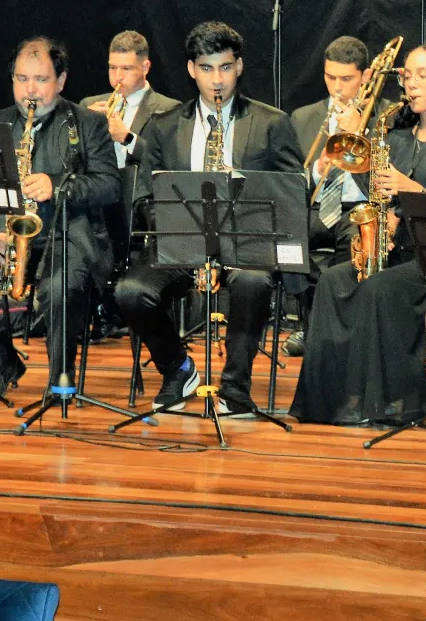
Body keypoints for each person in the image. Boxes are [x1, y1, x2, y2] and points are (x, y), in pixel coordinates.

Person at [291, 42, 426, 427]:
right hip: (401, 248)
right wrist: (384, 213)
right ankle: (334, 400)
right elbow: (377, 192)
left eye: (422, 75)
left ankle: (397, 400)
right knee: (333, 281)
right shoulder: (399, 136)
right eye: (407, 76)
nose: (411, 84)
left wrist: (410, 188)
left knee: (378, 287)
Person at [114, 21, 303, 417]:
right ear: (191, 69)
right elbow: (146, 194)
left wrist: (243, 184)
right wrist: (178, 226)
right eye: (206, 68)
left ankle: (235, 387)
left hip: (246, 241)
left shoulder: (271, 122)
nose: (217, 80)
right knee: (131, 292)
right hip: (183, 241)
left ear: (239, 67)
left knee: (252, 282)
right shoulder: (164, 125)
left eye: (225, 67)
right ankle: (178, 370)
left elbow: (292, 193)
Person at [0, 38, 118, 403]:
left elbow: (109, 186)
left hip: (67, 236)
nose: (30, 89)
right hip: (8, 238)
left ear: (61, 81)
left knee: (58, 289)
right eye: (22, 79)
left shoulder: (89, 124)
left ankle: (59, 382)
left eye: (41, 79)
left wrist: (57, 186)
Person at [285, 35, 384, 356]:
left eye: (346, 79)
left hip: (359, 207)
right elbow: (290, 183)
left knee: (355, 243)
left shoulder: (385, 117)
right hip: (316, 207)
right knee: (284, 238)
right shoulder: (302, 117)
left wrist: (359, 133)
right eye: (330, 78)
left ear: (365, 76)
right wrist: (318, 168)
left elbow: (386, 179)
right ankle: (313, 321)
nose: (337, 88)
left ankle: (329, 328)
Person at [80, 31, 181, 288]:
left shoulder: (169, 109)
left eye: (126, 69)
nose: (118, 77)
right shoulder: (89, 105)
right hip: (99, 201)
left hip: (138, 205)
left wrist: (126, 137)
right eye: (112, 68)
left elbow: (170, 163)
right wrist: (82, 128)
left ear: (145, 67)